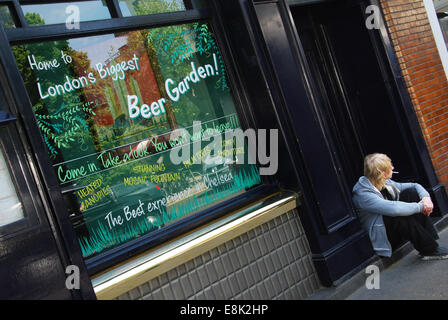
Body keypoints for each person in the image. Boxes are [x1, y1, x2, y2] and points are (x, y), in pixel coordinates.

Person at [352, 153, 448, 260]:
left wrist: (426, 198)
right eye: (390, 166)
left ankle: (429, 240)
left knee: (411, 193)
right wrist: (421, 206)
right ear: (382, 173)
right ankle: (430, 250)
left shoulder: (383, 181)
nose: (393, 168)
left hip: (396, 229)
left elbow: (414, 186)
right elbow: (394, 209)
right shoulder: (363, 194)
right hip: (384, 238)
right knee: (397, 215)